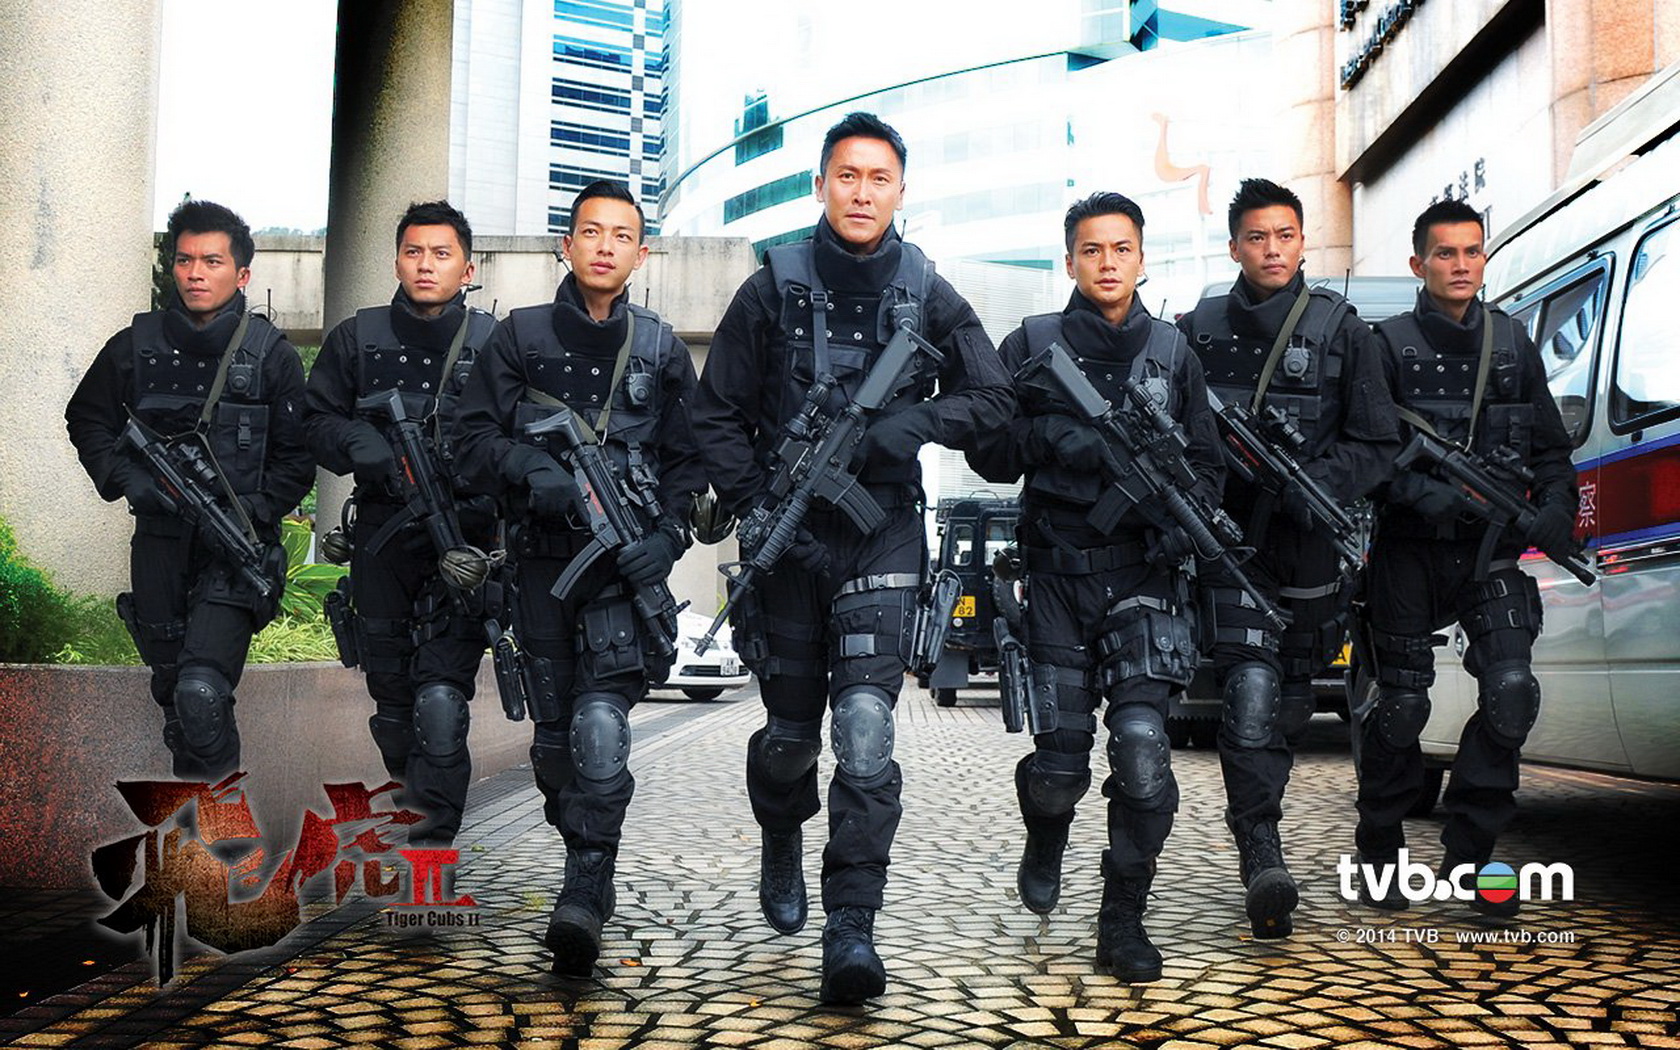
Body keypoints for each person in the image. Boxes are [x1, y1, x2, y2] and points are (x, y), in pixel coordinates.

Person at [690, 112, 1011, 1004]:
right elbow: (715, 414)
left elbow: (994, 398)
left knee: (865, 731)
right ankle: (781, 829)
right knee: (791, 741)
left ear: (900, 189)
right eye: (847, 176)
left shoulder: (928, 290)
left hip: (882, 531)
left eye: (879, 178)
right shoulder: (772, 287)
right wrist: (760, 504)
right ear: (820, 185)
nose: (862, 192)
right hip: (788, 541)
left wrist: (914, 424)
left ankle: (851, 928)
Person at [967, 191, 1222, 982]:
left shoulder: (1174, 353)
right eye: (1092, 249)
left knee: (1142, 752)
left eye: (1121, 249)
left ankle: (1123, 920)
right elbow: (987, 448)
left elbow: (1208, 465)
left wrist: (1184, 525)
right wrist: (1054, 437)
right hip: (1056, 579)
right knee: (1059, 769)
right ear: (1070, 259)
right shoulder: (1031, 342)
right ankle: (1045, 831)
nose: (1108, 263)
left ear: (1142, 258)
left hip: (1144, 577)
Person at [451, 179, 703, 976]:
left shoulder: (661, 349)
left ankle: (586, 889)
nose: (604, 247)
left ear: (641, 253)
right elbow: (467, 442)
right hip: (540, 567)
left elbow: (690, 461)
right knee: (557, 750)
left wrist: (666, 537)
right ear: (567, 244)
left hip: (622, 575)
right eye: (590, 232)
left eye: (621, 235)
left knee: (600, 727)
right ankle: (584, 850)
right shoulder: (518, 337)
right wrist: (529, 468)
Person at [1176, 179, 1399, 937]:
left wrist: (1319, 485)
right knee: (1248, 695)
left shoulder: (1343, 331)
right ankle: (1262, 854)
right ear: (1235, 246)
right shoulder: (1197, 329)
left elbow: (1378, 442)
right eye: (1257, 237)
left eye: (1286, 236)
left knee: (1291, 704)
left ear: (1303, 242)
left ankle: (1268, 829)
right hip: (1231, 543)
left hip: (1309, 547)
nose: (1272, 250)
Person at [1355, 199, 1577, 916]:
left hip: (1490, 554)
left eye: (1472, 251)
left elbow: (1551, 451)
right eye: (1445, 253)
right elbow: (1368, 452)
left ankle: (1470, 855)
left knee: (1512, 692)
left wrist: (1555, 507)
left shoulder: (1511, 342)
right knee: (1402, 705)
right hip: (1408, 552)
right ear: (1418, 263)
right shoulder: (1385, 345)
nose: (1460, 265)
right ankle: (1381, 843)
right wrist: (1424, 494)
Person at [66, 200, 312, 778]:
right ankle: (205, 830)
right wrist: (130, 479)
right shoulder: (135, 344)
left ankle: (221, 834)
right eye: (184, 260)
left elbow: (299, 456)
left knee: (202, 693)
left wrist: (253, 508)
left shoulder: (271, 355)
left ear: (242, 274)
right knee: (177, 700)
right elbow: (88, 419)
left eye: (211, 261)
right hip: (158, 544)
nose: (195, 273)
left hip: (235, 547)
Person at [302, 200, 497, 847]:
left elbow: (521, 438)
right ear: (396, 262)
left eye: (441, 253)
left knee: (440, 705)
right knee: (393, 710)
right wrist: (354, 442)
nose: (426, 265)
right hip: (381, 540)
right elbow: (313, 420)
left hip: (463, 547)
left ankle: (431, 847)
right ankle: (416, 810)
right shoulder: (355, 338)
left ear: (467, 268)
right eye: (414, 252)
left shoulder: (495, 344)